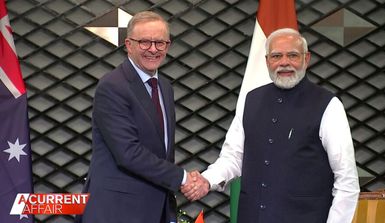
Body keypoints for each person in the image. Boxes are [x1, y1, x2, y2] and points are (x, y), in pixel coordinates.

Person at [182, 28, 360, 222]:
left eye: (292, 55)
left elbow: (346, 180)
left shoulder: (329, 105)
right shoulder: (251, 100)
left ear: (306, 59)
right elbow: (233, 157)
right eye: (276, 56)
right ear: (267, 61)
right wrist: (207, 180)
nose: (284, 62)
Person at [78, 11, 196, 223]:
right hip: (118, 211)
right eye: (144, 42)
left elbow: (161, 150)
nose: (153, 49)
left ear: (168, 46)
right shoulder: (112, 86)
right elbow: (128, 153)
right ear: (128, 44)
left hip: (157, 207)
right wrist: (183, 178)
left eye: (160, 42)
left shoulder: (165, 87)